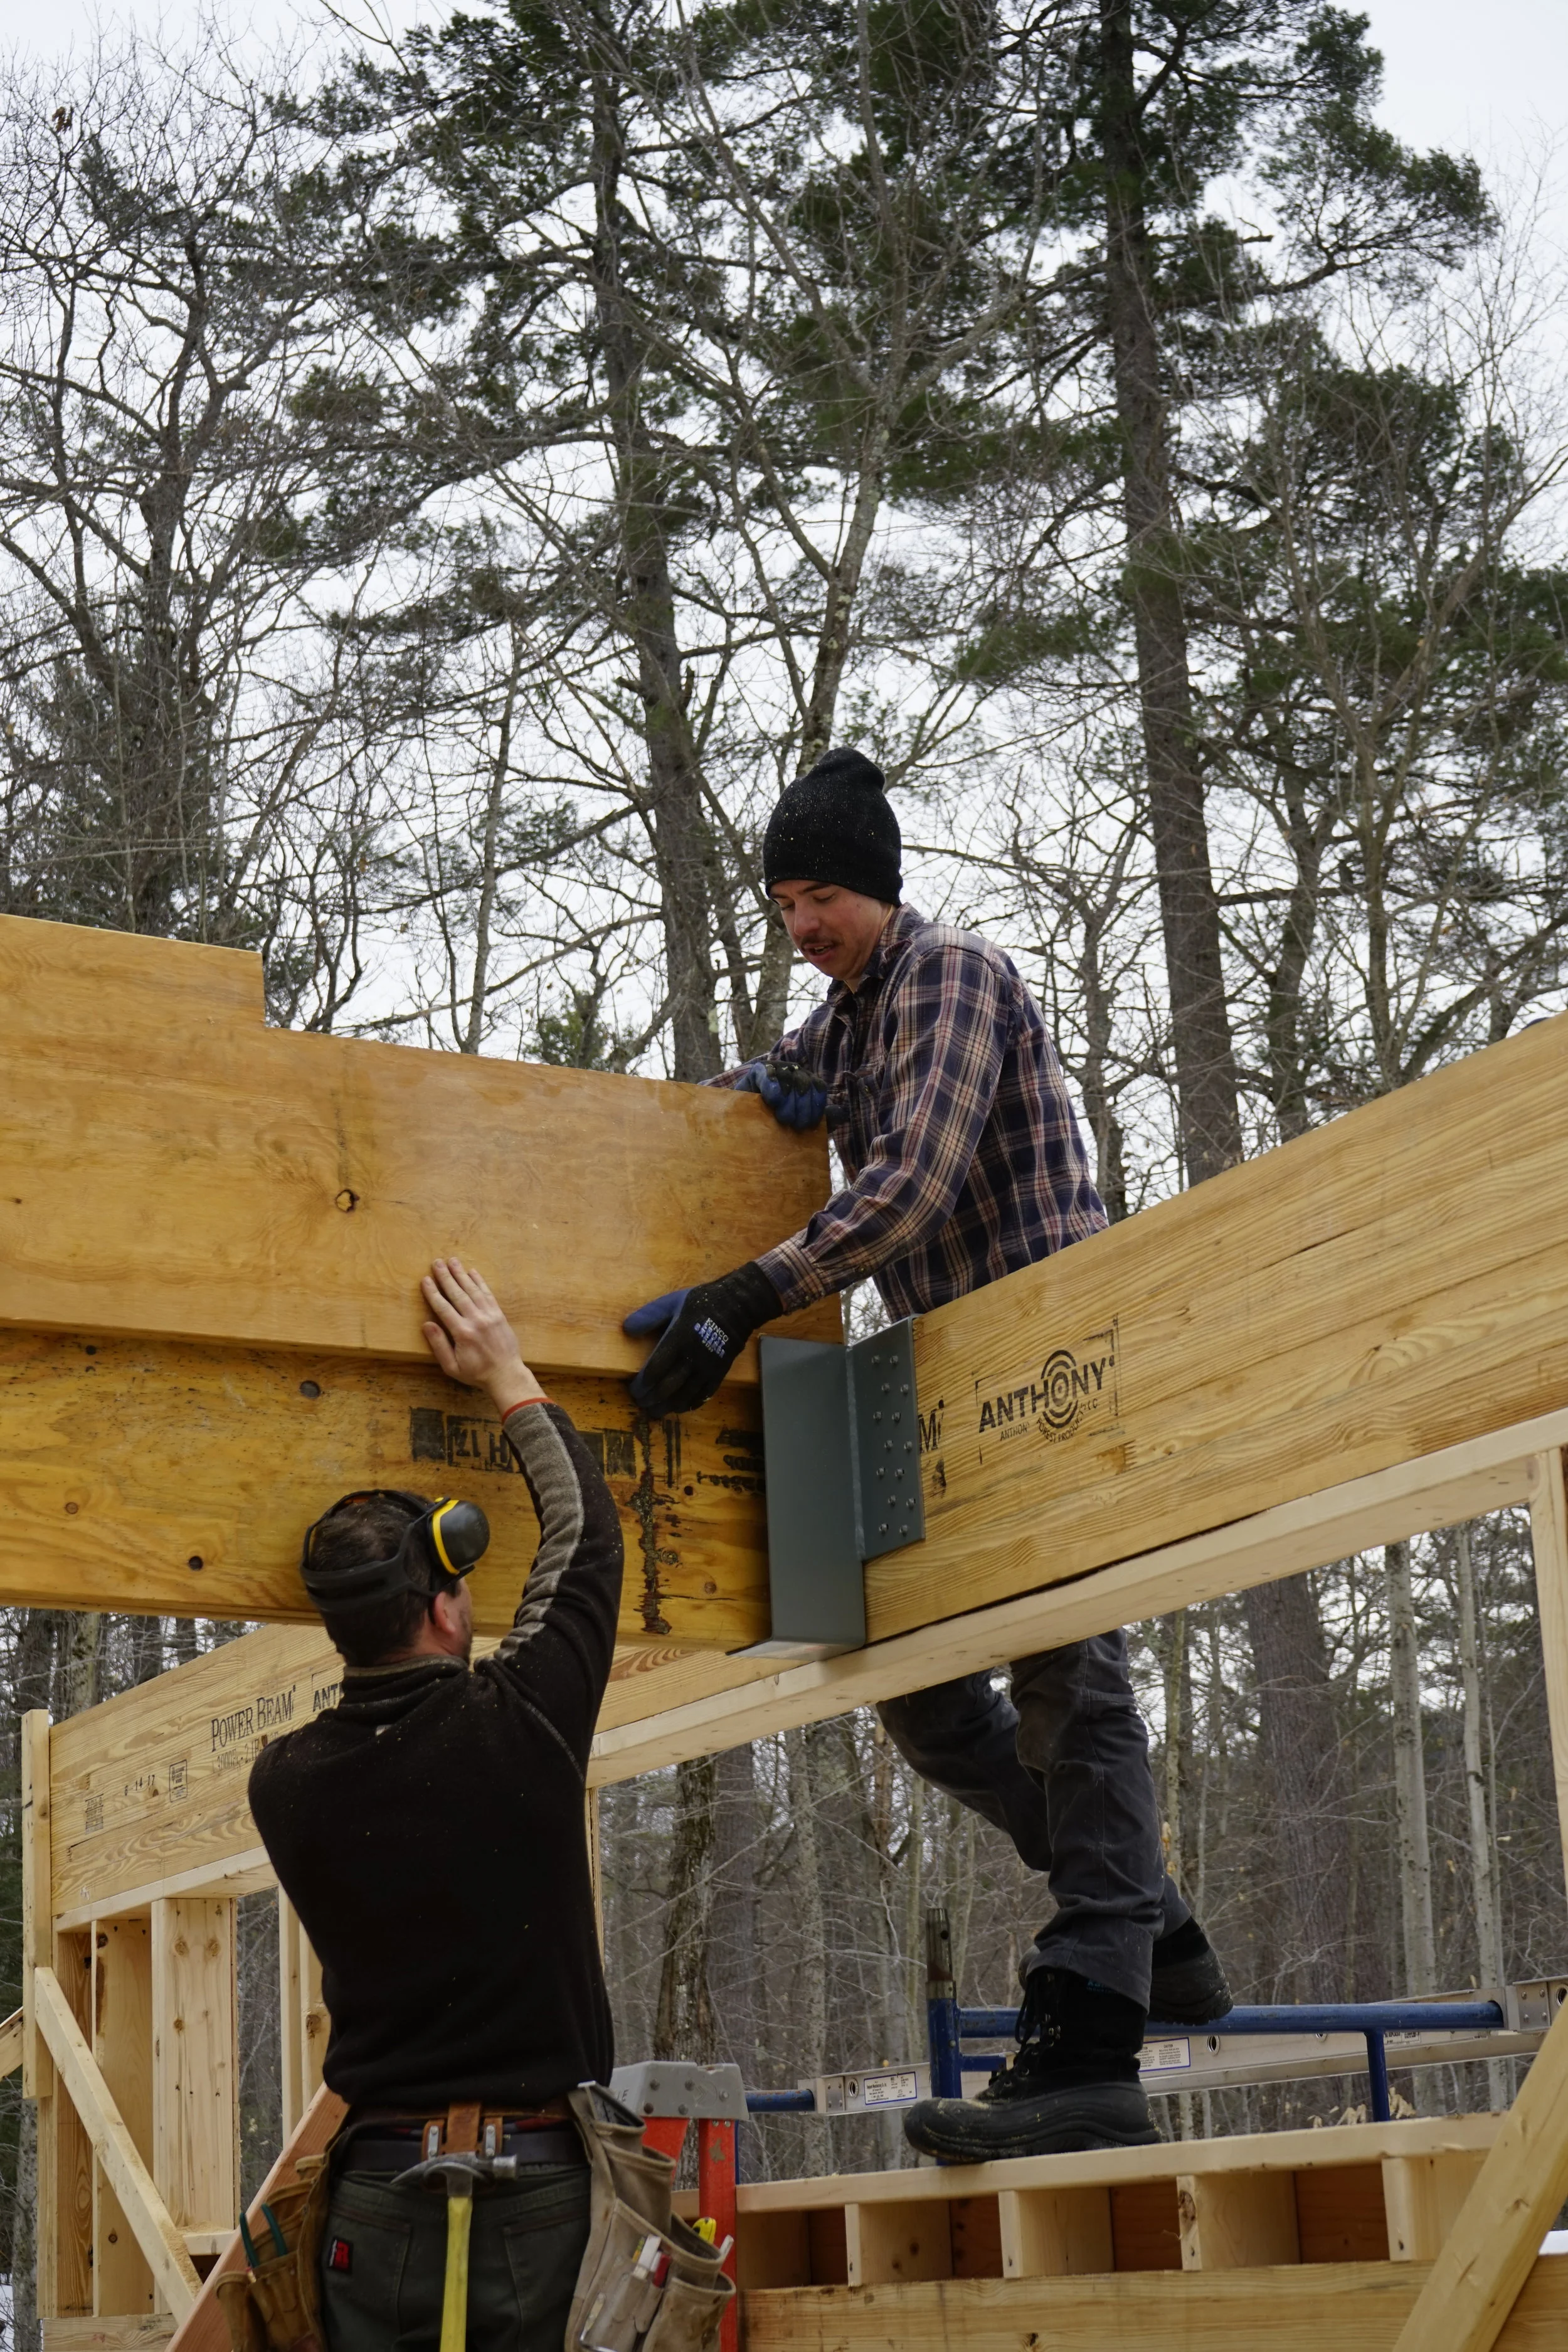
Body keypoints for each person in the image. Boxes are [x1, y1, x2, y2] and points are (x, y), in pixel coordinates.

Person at [623, 748, 1232, 2162]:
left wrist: (737, 1297)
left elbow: (907, 1190)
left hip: (1049, 1352)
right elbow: (771, 1083)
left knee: (1068, 1682)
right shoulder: (851, 1012)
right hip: (946, 1391)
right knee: (915, 1697)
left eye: (820, 894)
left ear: (879, 889)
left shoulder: (950, 975)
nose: (801, 925)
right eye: (781, 903)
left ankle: (1090, 2034)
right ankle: (1153, 1926)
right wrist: (722, 1110)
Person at [249, 1258, 622, 2352]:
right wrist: (504, 1368)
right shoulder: (522, 1723)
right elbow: (587, 1535)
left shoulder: (284, 1783)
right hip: (535, 2190)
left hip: (374, 2199)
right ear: (448, 1606)